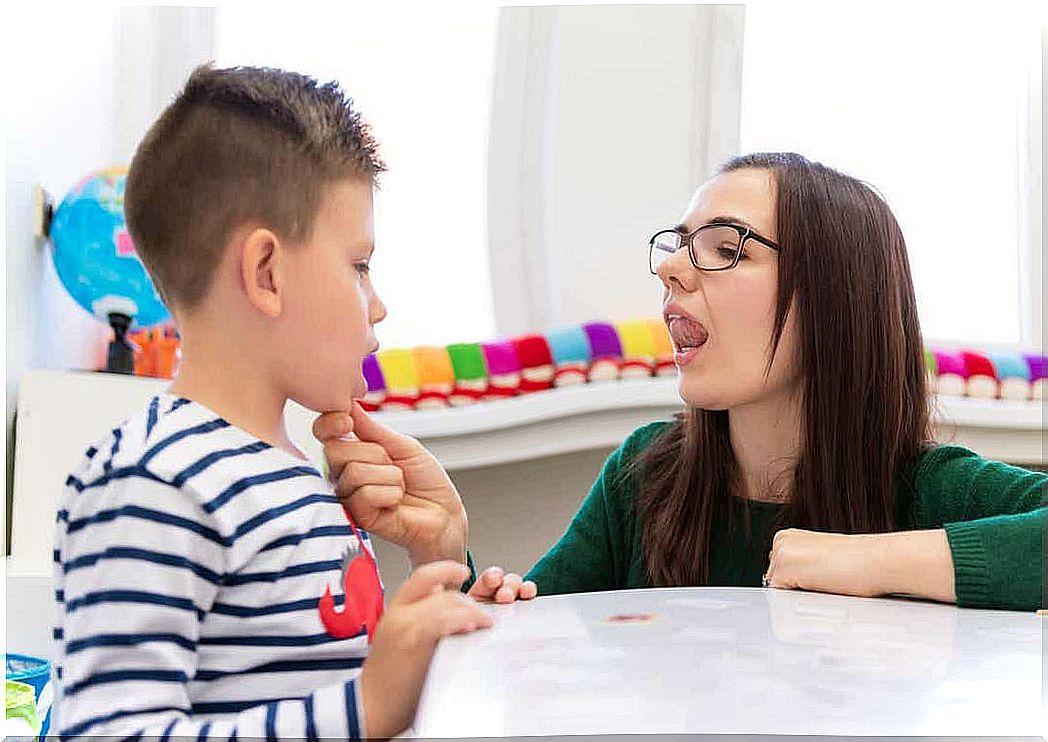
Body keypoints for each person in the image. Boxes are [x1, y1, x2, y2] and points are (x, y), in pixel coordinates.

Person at [318, 152, 1045, 612]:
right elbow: (519, 659)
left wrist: (863, 561)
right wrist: (444, 550)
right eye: (677, 244)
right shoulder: (643, 477)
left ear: (836, 302)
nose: (671, 268)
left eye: (726, 248)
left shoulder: (926, 489)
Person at [54, 64, 531, 741]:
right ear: (268, 274)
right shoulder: (151, 484)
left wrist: (440, 615)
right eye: (360, 266)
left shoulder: (295, 476)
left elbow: (310, 686)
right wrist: (366, 706)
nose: (380, 304)